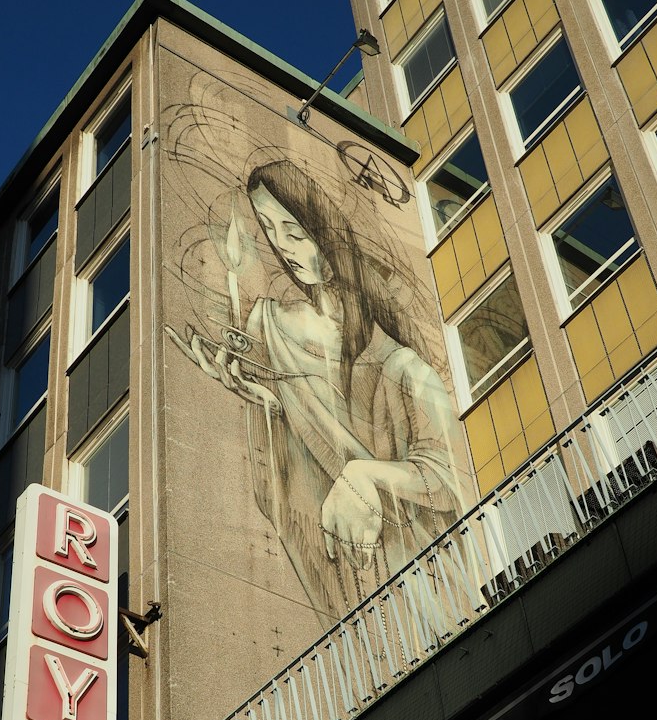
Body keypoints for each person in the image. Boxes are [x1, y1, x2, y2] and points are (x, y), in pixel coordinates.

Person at [168, 159, 472, 618]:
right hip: (339, 587)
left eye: (294, 230)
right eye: (270, 230)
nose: (283, 247)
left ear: (324, 230)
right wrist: (268, 404)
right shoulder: (273, 327)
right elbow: (283, 487)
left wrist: (366, 474)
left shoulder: (402, 367)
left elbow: (448, 479)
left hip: (420, 587)